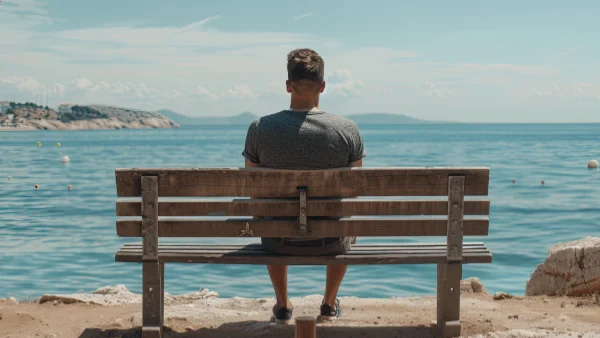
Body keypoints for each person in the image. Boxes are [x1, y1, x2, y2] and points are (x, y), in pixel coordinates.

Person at [242, 48, 366, 324]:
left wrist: (261, 220)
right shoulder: (347, 129)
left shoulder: (260, 128)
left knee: (270, 217)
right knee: (346, 220)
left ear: (288, 85)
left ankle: (283, 304)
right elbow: (354, 192)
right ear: (323, 86)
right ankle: (329, 304)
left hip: (277, 239)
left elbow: (254, 190)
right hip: (332, 239)